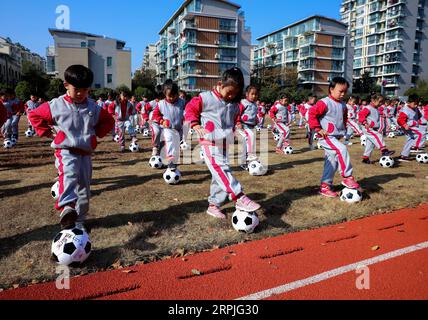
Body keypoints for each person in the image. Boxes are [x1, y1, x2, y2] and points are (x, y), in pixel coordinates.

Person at [28, 65, 114, 230]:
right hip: (65, 150)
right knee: (68, 175)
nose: (81, 93)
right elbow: (34, 115)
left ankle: (79, 220)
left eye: (85, 90)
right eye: (77, 89)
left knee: (84, 186)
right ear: (66, 85)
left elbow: (109, 120)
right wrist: (48, 133)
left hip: (85, 153)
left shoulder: (93, 107)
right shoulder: (56, 105)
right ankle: (67, 208)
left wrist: (95, 135)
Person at [185, 67, 261, 219]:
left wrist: (237, 124)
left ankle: (214, 205)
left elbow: (235, 116)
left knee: (218, 175)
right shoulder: (205, 98)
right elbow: (190, 109)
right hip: (209, 142)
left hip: (225, 142)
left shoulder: (233, 103)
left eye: (235, 93)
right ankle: (239, 197)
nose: (231, 95)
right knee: (221, 170)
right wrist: (195, 124)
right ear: (220, 84)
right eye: (229, 92)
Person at [308, 77, 361, 198]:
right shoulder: (324, 102)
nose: (343, 94)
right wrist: (318, 128)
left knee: (331, 162)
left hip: (335, 137)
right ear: (331, 89)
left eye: (345, 92)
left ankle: (325, 186)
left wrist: (344, 130)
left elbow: (344, 118)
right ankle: (347, 177)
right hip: (326, 136)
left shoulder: (343, 105)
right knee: (342, 149)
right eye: (340, 91)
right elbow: (312, 113)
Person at [152, 80, 186, 170]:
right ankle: (171, 162)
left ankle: (167, 158)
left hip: (179, 129)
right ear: (164, 94)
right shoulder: (161, 104)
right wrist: (161, 121)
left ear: (177, 94)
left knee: (176, 146)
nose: (172, 98)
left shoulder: (182, 102)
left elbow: (188, 111)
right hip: (168, 128)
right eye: (169, 96)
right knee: (170, 141)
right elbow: (155, 115)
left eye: (174, 95)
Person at [358, 94, 395, 164]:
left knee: (370, 144)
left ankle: (366, 158)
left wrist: (382, 115)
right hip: (368, 127)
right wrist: (365, 122)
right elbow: (361, 115)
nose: (381, 103)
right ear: (373, 100)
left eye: (382, 102)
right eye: (380, 101)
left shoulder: (376, 109)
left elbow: (375, 116)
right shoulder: (368, 108)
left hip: (373, 128)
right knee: (378, 136)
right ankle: (384, 150)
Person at [238, 85, 260, 170]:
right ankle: (248, 159)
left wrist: (256, 119)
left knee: (246, 145)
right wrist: (238, 122)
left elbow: (253, 114)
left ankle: (246, 162)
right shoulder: (243, 103)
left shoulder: (255, 104)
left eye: (256, 94)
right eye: (252, 94)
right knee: (250, 138)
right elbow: (237, 113)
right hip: (243, 126)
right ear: (247, 94)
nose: (254, 96)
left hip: (250, 126)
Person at [397, 94, 424, 161]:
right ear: (409, 102)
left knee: (410, 139)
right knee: (421, 134)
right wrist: (405, 125)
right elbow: (399, 120)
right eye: (415, 103)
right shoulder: (405, 110)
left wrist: (419, 118)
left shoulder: (415, 108)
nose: (416, 105)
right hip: (407, 126)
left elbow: (419, 116)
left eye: (417, 103)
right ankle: (414, 147)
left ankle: (404, 155)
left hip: (413, 126)